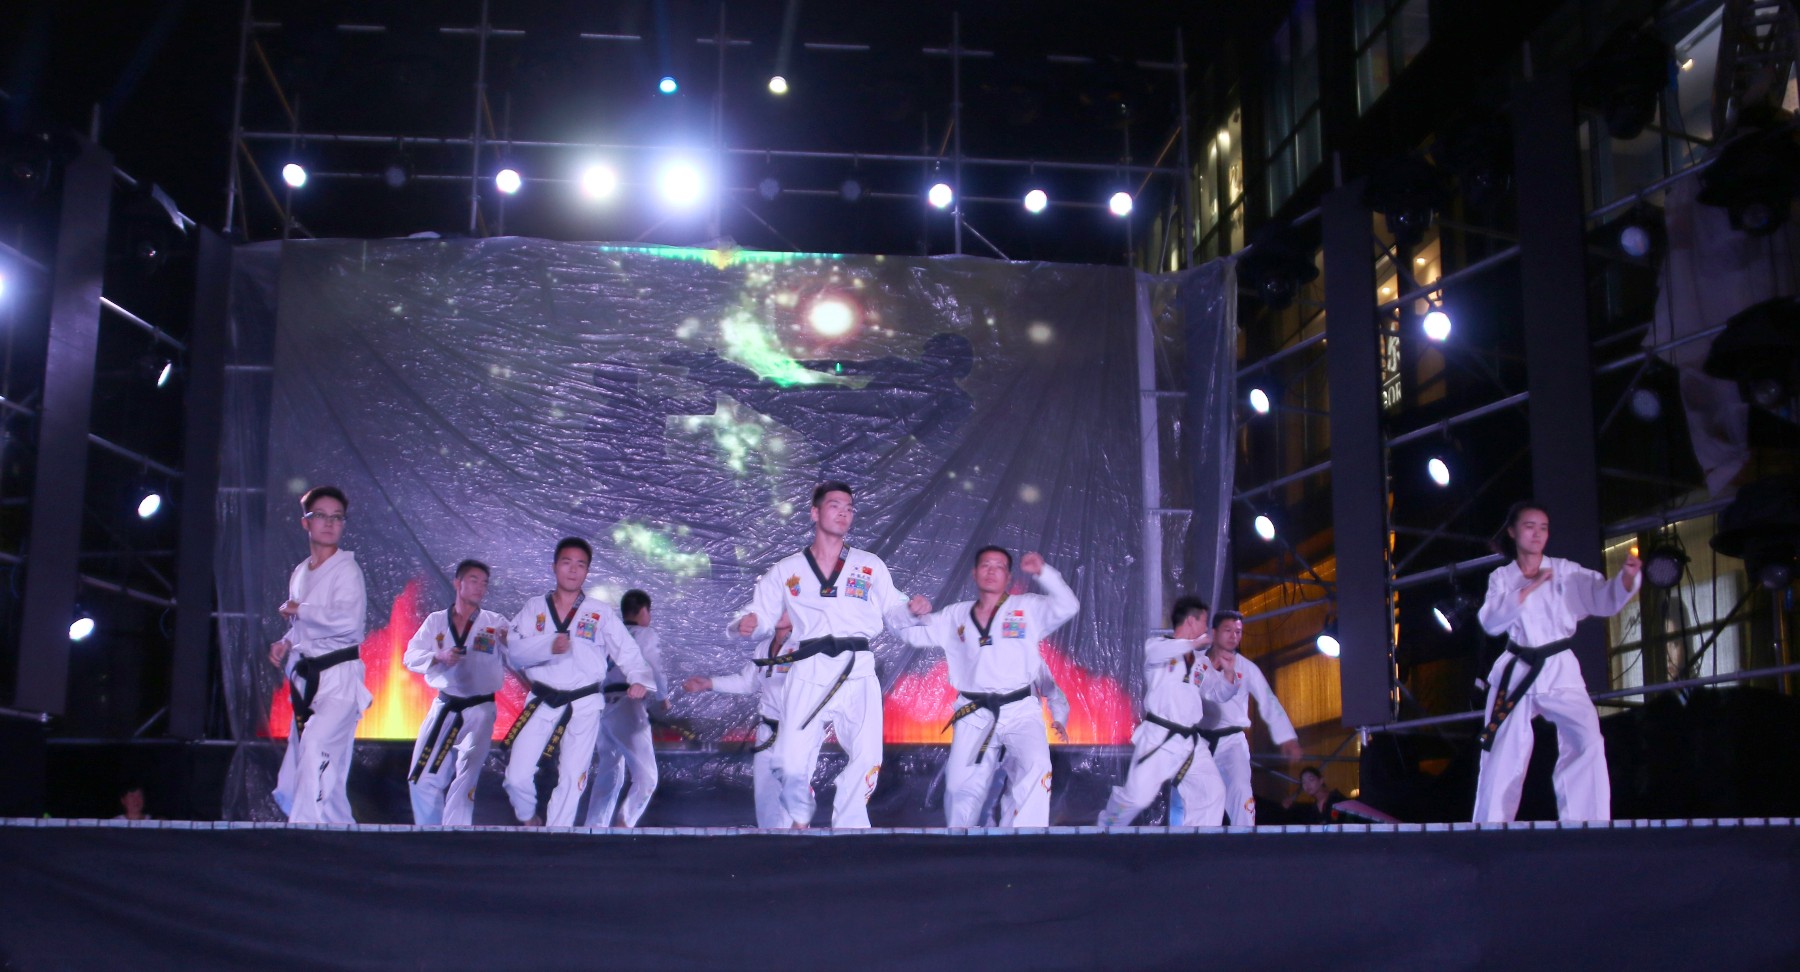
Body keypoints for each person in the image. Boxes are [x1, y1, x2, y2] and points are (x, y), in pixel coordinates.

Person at [729, 482, 930, 828]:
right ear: (815, 512)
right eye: (835, 505)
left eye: (849, 508)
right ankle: (799, 818)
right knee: (791, 761)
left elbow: (893, 609)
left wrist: (911, 610)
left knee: (867, 754)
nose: (844, 513)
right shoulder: (788, 569)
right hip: (809, 668)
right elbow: (761, 612)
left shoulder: (869, 565)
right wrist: (748, 623)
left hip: (857, 668)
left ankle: (851, 827)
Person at [1473, 501, 1640, 822]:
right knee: (1502, 752)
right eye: (1529, 527)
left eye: (1543, 528)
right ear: (1512, 532)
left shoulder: (1565, 571)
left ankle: (1586, 822)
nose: (1537, 534)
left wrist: (1626, 580)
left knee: (1587, 739)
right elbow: (1490, 622)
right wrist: (1527, 589)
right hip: (1518, 670)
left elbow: (1602, 597)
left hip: (1558, 668)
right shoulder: (1502, 578)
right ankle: (1490, 828)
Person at [902, 546, 1078, 827]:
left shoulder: (1027, 608)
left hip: (1021, 709)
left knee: (1036, 767)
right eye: (985, 565)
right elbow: (914, 634)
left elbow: (1068, 606)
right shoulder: (955, 615)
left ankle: (1025, 839)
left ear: (1009, 577)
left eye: (999, 566)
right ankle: (961, 842)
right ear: (974, 573)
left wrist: (1044, 573)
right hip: (974, 712)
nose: (992, 571)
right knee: (959, 788)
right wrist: (912, 612)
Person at [502, 538, 655, 827]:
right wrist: (548, 645)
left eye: (580, 564)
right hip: (542, 699)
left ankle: (556, 836)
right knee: (516, 777)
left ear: (586, 571)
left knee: (573, 778)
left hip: (584, 703)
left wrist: (638, 679)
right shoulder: (534, 608)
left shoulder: (599, 612)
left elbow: (628, 650)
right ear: (554, 567)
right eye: (566, 562)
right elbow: (514, 651)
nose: (573, 570)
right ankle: (528, 817)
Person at [269, 485, 370, 824]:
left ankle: (305, 834)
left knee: (315, 748)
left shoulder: (347, 571)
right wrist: (286, 641)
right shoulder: (301, 571)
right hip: (307, 680)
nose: (329, 523)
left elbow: (348, 623)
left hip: (339, 680)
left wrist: (300, 608)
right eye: (321, 516)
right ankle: (341, 831)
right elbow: (304, 626)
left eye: (337, 517)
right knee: (312, 770)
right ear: (306, 523)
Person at [1098, 596, 1243, 827]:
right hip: (1160, 738)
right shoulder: (1157, 647)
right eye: (1204, 622)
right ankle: (1104, 828)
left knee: (1212, 791)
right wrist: (1193, 644)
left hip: (1190, 741)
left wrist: (1228, 675)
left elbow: (1217, 693)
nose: (1206, 629)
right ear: (1191, 621)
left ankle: (1198, 842)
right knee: (1136, 798)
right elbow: (1158, 652)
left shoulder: (1200, 662)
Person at [402, 559, 510, 826]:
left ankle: (456, 834)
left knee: (466, 778)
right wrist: (437, 657)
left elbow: (518, 653)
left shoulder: (495, 622)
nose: (480, 587)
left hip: (480, 710)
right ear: (457, 583)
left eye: (484, 583)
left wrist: (509, 641)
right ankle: (430, 834)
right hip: (446, 706)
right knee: (421, 778)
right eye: (473, 580)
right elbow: (410, 656)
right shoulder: (436, 621)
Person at [685, 614, 812, 827]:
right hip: (767, 732)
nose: (779, 612)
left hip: (795, 732)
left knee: (792, 802)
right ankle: (773, 843)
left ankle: (799, 838)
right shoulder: (764, 647)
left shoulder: (805, 646)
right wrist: (708, 683)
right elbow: (747, 682)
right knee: (766, 799)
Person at [1199, 610, 1303, 827]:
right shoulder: (1196, 663)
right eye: (1228, 630)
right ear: (1214, 632)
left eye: (1238, 632)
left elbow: (1268, 701)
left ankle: (1244, 839)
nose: (1234, 636)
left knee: (1241, 789)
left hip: (1231, 741)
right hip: (1198, 740)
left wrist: (1287, 737)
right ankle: (1192, 841)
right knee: (1197, 796)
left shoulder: (1246, 668)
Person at [585, 589, 668, 827]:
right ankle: (624, 823)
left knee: (609, 771)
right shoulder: (645, 634)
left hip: (603, 705)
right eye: (649, 611)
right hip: (628, 703)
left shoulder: (611, 635)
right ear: (643, 611)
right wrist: (662, 696)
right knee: (647, 777)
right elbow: (654, 665)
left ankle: (594, 827)